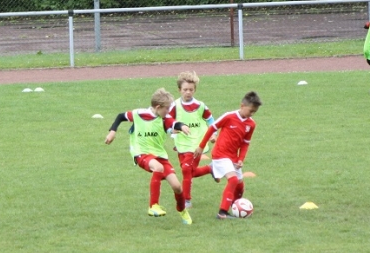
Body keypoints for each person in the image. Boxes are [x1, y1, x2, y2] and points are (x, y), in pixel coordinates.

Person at [105, 88, 192, 224]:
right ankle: (153, 206)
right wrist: (112, 131)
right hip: (141, 153)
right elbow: (121, 116)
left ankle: (182, 210)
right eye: (167, 108)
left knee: (177, 187)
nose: (168, 111)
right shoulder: (139, 114)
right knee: (158, 168)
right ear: (158, 107)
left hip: (160, 156)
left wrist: (182, 126)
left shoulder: (165, 118)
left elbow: (174, 123)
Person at [194, 91, 262, 220]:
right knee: (233, 180)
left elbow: (245, 144)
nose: (252, 114)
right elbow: (212, 128)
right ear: (242, 105)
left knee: (240, 186)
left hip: (233, 158)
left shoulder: (251, 124)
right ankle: (222, 213)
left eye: (254, 112)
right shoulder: (229, 116)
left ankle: (234, 206)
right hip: (220, 154)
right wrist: (201, 146)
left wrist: (241, 159)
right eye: (251, 111)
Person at [167, 71, 215, 211]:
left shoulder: (200, 106)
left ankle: (186, 200)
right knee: (188, 171)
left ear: (195, 90)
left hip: (197, 144)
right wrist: (171, 130)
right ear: (179, 90)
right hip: (181, 144)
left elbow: (210, 120)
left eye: (191, 90)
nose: (188, 92)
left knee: (186, 169)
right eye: (185, 89)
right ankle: (210, 169)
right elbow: (167, 121)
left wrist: (213, 134)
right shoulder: (175, 106)